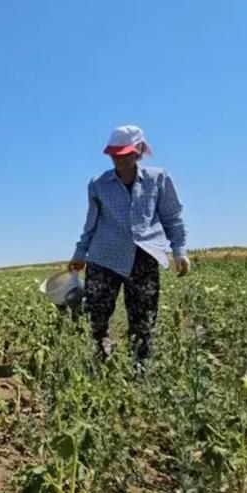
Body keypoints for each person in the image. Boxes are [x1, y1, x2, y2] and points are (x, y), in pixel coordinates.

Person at [69, 125, 190, 362]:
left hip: (144, 256)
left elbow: (172, 217)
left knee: (143, 319)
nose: (119, 160)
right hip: (104, 258)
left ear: (139, 151)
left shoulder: (158, 179)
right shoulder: (98, 184)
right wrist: (79, 253)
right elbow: (90, 224)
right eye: (115, 154)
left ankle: (139, 369)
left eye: (124, 154)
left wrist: (179, 250)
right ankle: (100, 363)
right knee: (96, 316)